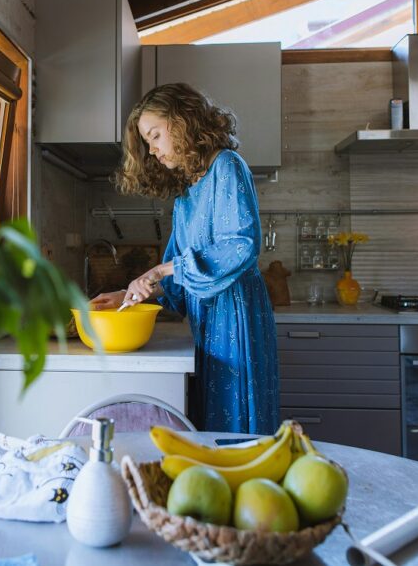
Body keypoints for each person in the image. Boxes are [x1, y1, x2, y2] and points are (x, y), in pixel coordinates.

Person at [90, 83, 279, 435]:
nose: (153, 150)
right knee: (211, 421)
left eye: (156, 135)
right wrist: (129, 293)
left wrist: (159, 269)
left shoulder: (227, 166)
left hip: (236, 316)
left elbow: (240, 245)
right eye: (147, 143)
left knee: (237, 419)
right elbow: (178, 276)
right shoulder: (187, 194)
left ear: (183, 121)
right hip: (207, 321)